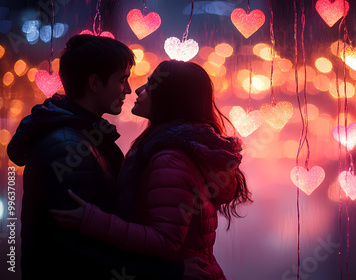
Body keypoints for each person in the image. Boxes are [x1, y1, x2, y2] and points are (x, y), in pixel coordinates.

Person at [50, 60, 253, 279]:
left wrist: (93, 220)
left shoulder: (171, 159)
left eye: (150, 85)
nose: (137, 90)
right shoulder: (177, 149)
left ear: (171, 98)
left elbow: (166, 242)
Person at [7, 35, 184, 279]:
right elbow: (77, 254)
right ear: (94, 83)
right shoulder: (68, 148)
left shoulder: (83, 137)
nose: (129, 89)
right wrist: (171, 272)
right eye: (122, 80)